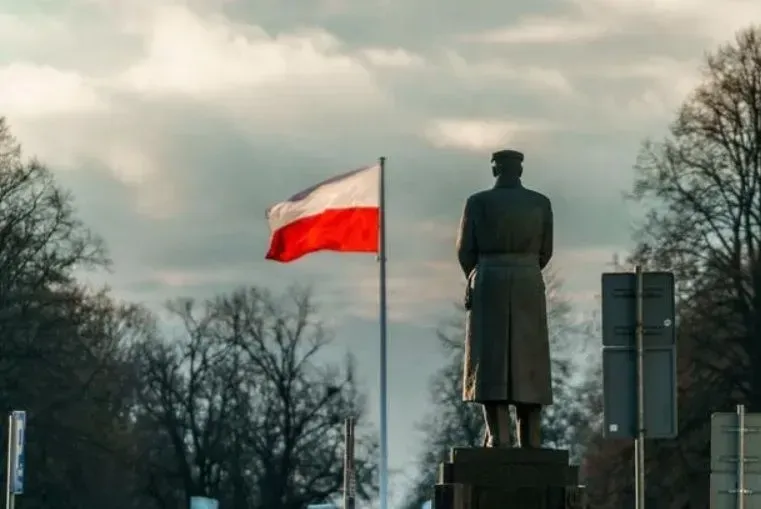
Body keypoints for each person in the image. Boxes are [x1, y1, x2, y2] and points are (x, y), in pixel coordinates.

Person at [456, 149, 554, 448]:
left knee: (491, 360)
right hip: (527, 280)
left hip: (489, 280)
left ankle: (498, 436)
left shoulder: (478, 203)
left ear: (495, 169)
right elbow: (546, 251)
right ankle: (531, 437)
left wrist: (477, 274)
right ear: (520, 171)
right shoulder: (540, 203)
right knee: (530, 360)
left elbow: (465, 250)